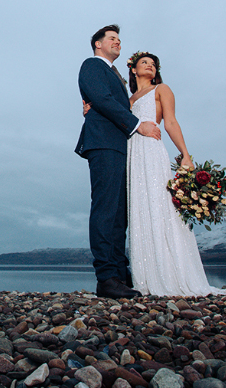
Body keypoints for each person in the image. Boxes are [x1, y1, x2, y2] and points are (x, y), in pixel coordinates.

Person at [125, 51, 226, 297]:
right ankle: (145, 276)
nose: (150, 66)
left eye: (153, 64)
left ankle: (174, 273)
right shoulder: (127, 101)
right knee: (140, 207)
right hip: (131, 154)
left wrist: (186, 155)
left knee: (160, 204)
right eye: (144, 63)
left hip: (151, 149)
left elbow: (170, 121)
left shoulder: (162, 90)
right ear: (134, 70)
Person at [76, 25, 161, 299]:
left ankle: (120, 273)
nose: (118, 43)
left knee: (119, 213)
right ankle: (106, 277)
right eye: (112, 39)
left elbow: (108, 102)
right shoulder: (92, 65)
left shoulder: (116, 77)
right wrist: (138, 125)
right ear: (98, 44)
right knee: (105, 208)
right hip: (103, 143)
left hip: (120, 147)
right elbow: (100, 98)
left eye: (120, 40)